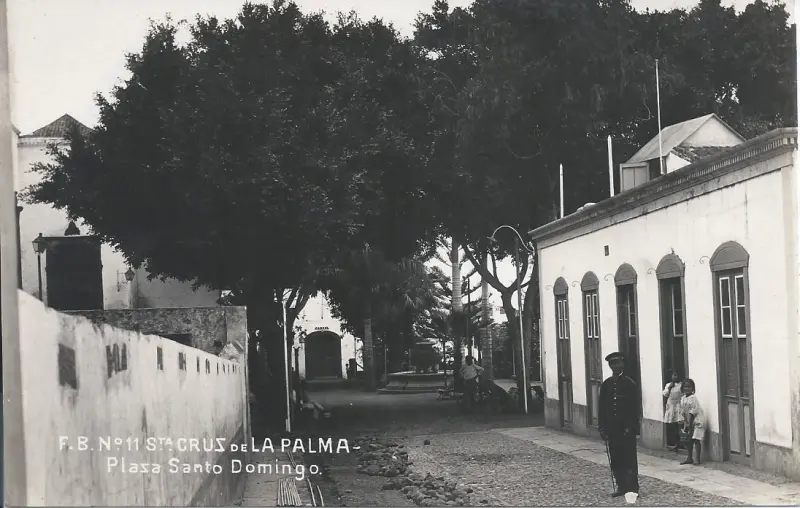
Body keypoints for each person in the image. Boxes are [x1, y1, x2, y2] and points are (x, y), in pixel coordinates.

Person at [598, 352, 640, 498]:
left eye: (618, 364)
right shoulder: (606, 385)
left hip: (626, 429)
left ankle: (632, 488)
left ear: (623, 365)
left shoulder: (630, 384)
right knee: (616, 459)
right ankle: (621, 486)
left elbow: (635, 408)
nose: (615, 367)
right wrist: (602, 427)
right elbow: (602, 407)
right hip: (612, 428)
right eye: (612, 364)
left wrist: (631, 426)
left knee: (629, 459)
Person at [680, 378, 706, 465]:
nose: (687, 389)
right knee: (688, 440)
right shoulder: (683, 398)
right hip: (688, 420)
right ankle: (689, 458)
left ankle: (697, 459)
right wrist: (685, 423)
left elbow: (693, 412)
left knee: (696, 439)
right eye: (685, 387)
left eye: (689, 387)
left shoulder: (693, 398)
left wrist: (689, 424)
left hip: (697, 420)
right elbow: (683, 411)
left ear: (692, 389)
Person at [662, 371, 684, 452]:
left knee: (680, 424)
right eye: (673, 375)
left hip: (678, 406)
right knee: (673, 425)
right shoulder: (668, 385)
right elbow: (665, 394)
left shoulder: (681, 385)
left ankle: (681, 442)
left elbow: (682, 394)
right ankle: (675, 443)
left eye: (676, 375)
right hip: (671, 406)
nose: (675, 377)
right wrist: (669, 388)